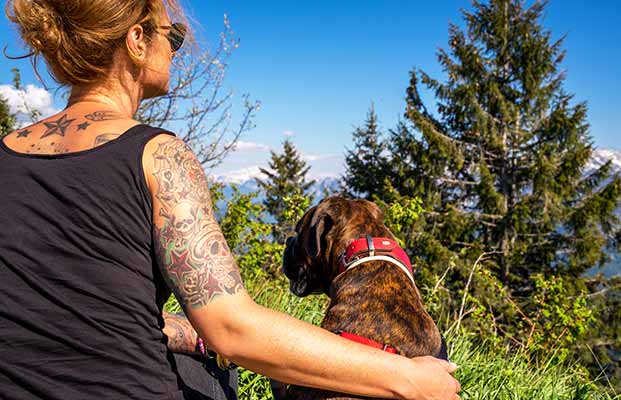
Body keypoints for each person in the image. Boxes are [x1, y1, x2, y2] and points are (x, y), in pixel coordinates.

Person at [0, 1, 462, 399]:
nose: (176, 50)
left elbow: (79, 308)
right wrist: (408, 378)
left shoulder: (6, 152)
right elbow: (234, 330)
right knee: (219, 367)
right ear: (137, 40)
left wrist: (187, 332)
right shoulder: (158, 156)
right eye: (173, 36)